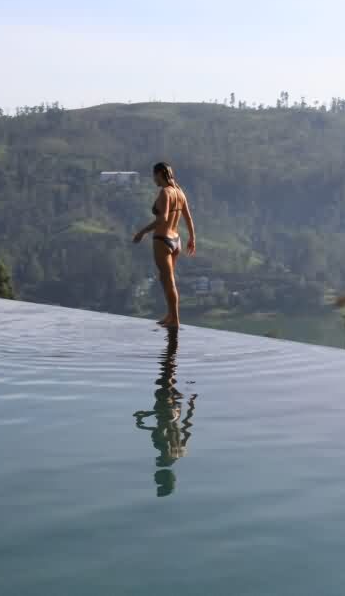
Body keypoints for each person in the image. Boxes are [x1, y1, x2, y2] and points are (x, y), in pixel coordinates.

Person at [133, 327, 197, 497]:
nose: (155, 463)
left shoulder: (179, 452)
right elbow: (166, 423)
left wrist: (191, 406)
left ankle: (173, 344)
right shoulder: (163, 446)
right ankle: (172, 342)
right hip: (167, 407)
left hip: (176, 407)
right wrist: (142, 419)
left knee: (168, 374)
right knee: (166, 373)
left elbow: (186, 425)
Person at [132, 162, 196, 328]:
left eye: (154, 175)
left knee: (168, 281)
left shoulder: (165, 193)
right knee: (166, 278)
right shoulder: (179, 192)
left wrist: (142, 232)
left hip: (163, 240)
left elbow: (162, 219)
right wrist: (192, 238)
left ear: (159, 174)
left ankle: (175, 318)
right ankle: (170, 314)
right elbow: (188, 218)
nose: (153, 179)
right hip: (176, 240)